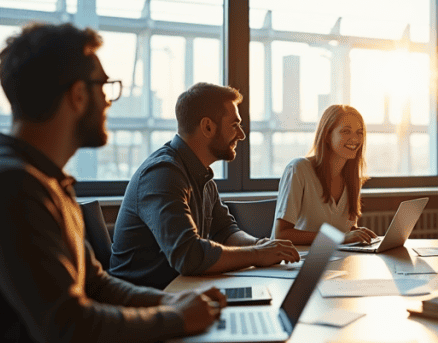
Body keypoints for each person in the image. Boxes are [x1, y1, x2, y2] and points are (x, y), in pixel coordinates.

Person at [0, 23, 226, 343]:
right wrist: (176, 319)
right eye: (104, 87)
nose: (108, 101)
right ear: (77, 95)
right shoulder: (7, 187)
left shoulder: (45, 181)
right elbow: (69, 332)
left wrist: (169, 304)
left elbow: (98, 285)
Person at [110, 83, 299, 290]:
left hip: (181, 292)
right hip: (146, 304)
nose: (241, 135)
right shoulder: (162, 174)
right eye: (235, 125)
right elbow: (188, 256)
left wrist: (259, 244)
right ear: (208, 126)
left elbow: (225, 231)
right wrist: (258, 255)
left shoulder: (201, 174)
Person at [273, 104, 377, 245]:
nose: (355, 139)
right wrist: (340, 238)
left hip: (338, 258)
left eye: (359, 132)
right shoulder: (299, 169)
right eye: (346, 131)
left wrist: (357, 232)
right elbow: (281, 235)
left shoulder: (353, 179)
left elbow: (343, 230)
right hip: (300, 261)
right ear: (327, 135)